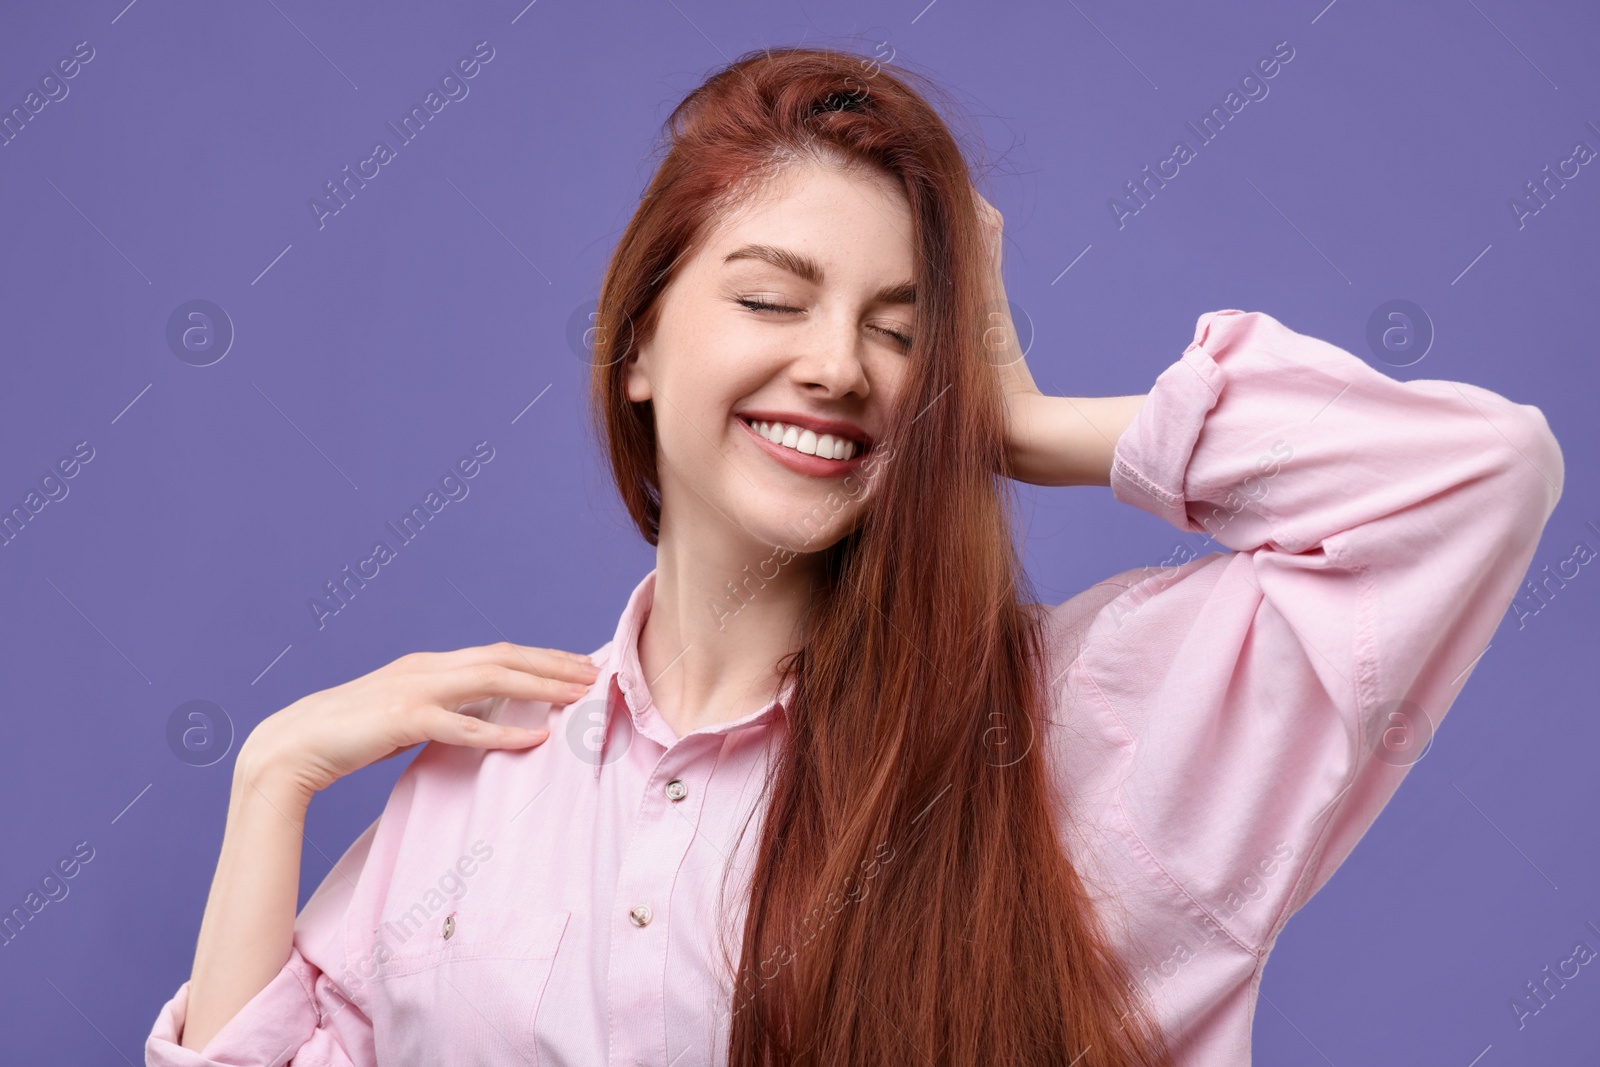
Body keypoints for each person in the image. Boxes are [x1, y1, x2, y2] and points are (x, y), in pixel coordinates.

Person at [144, 46, 1564, 1067]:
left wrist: (1024, 418)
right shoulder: (475, 790)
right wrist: (270, 779)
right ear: (637, 344)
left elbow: (1470, 480)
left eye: (898, 329)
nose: (836, 365)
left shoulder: (1081, 734)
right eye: (772, 297)